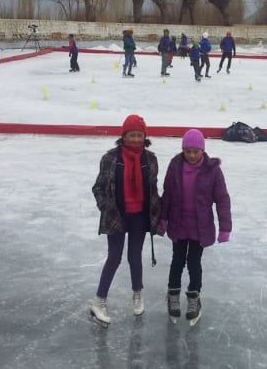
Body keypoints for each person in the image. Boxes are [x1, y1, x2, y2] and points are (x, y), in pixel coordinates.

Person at [90, 115, 162, 327]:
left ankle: (137, 293)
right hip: (117, 216)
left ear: (145, 136)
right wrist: (107, 208)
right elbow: (99, 189)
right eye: (132, 135)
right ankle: (99, 301)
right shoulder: (110, 158)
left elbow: (153, 190)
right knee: (114, 258)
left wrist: (159, 212)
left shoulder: (150, 159)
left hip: (139, 215)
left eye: (139, 135)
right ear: (124, 135)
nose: (136, 139)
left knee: (135, 256)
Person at [159, 129, 232, 324]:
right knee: (177, 260)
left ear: (202, 151)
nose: (191, 155)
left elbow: (222, 199)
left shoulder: (213, 170)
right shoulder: (175, 166)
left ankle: (194, 298)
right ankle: (173, 295)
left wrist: (225, 228)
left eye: (196, 151)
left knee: (194, 262)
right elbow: (167, 194)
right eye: (188, 151)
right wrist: (163, 219)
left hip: (200, 226)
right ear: (183, 150)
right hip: (179, 222)